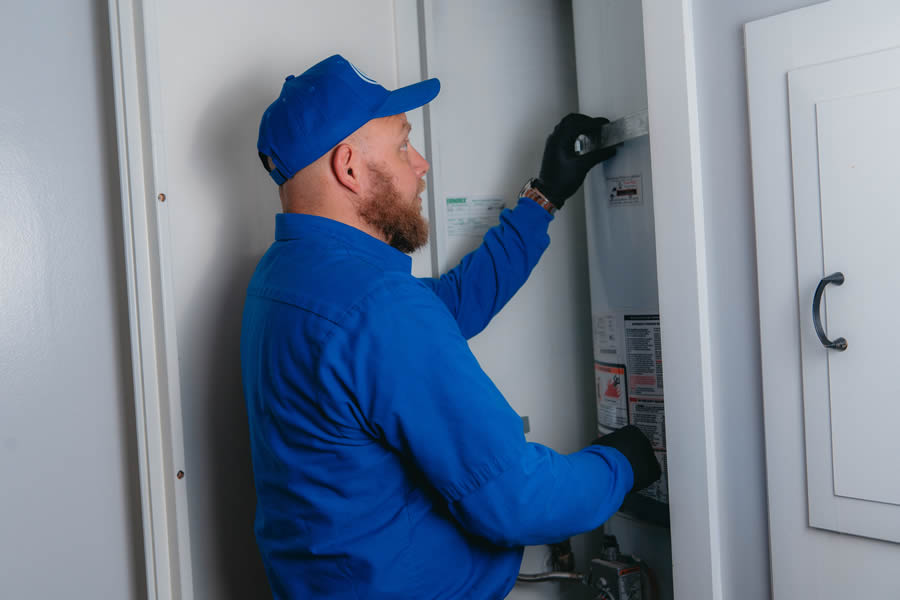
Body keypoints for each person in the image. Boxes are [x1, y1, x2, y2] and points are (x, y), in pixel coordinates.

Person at [241, 54, 661, 600]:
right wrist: (622, 462)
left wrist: (543, 198)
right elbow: (518, 501)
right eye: (402, 145)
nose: (420, 164)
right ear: (349, 167)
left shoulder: (285, 276)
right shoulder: (377, 306)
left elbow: (446, 307)